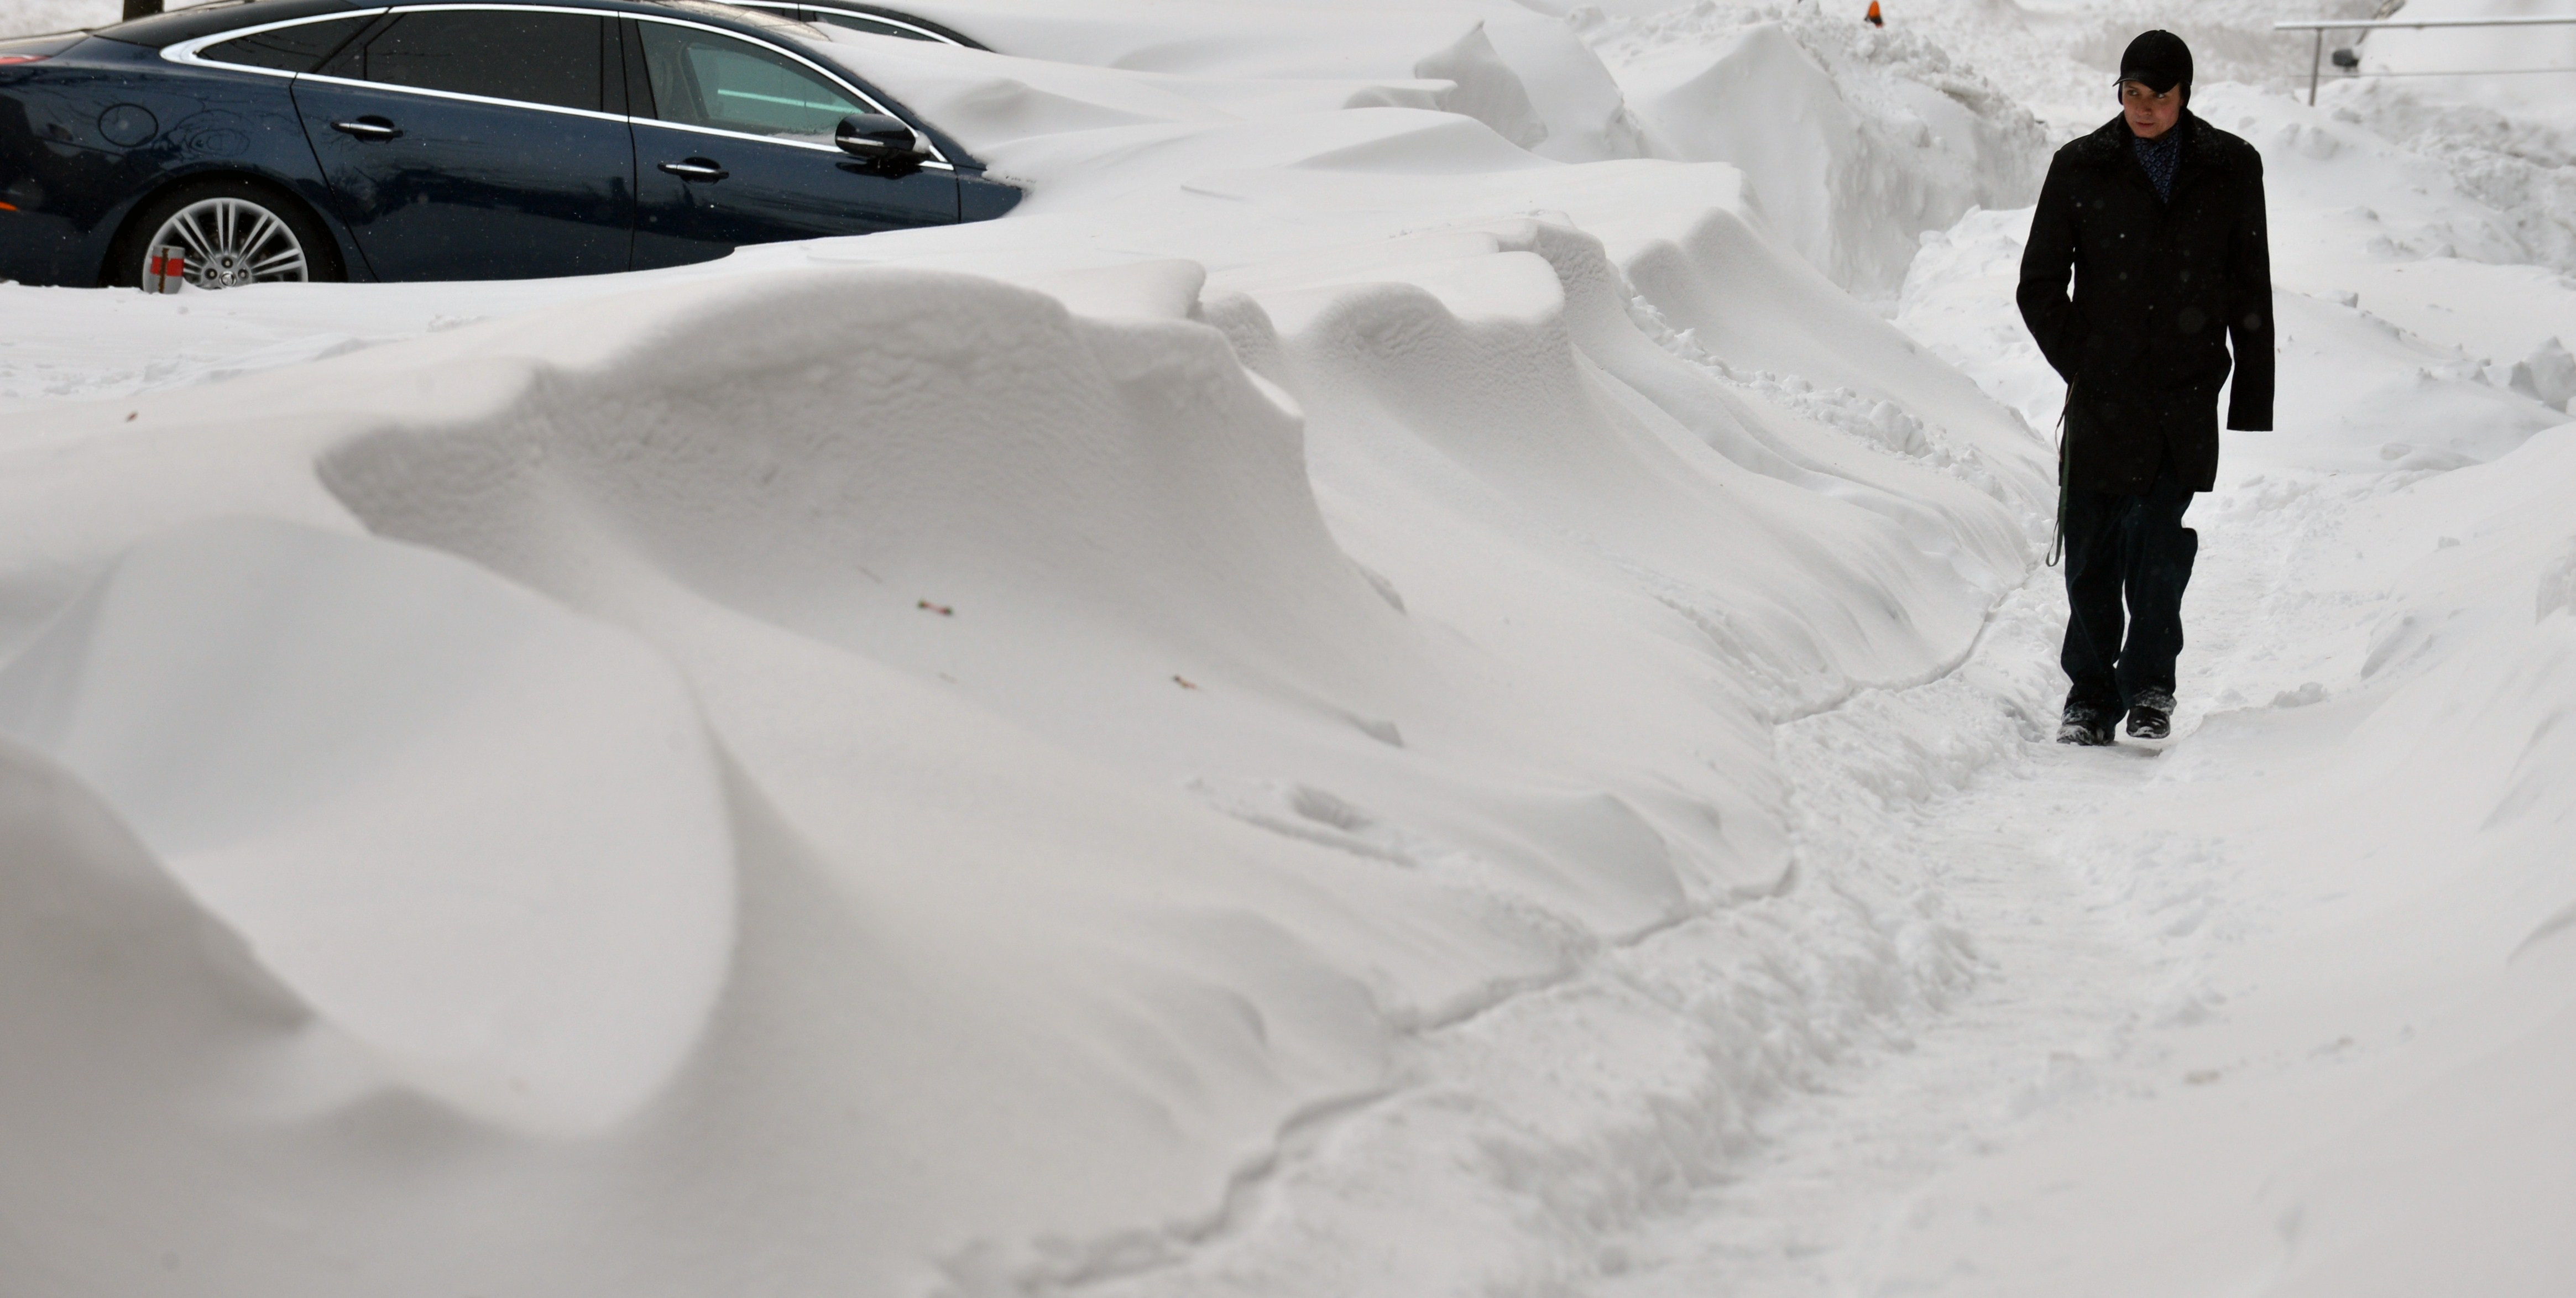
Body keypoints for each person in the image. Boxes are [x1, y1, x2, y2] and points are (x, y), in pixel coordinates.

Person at [2016, 29, 2272, 746]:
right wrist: (2084, 363)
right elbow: (2039, 285)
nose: (2144, 108)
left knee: (2159, 546)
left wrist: (2251, 393)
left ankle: (2152, 684)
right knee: (2094, 551)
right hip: (2103, 399)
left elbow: (2249, 282)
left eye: (2158, 94)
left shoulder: (2228, 168)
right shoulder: (2081, 167)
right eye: (2131, 93)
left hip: (2183, 396)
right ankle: (2091, 697)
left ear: (2184, 94)